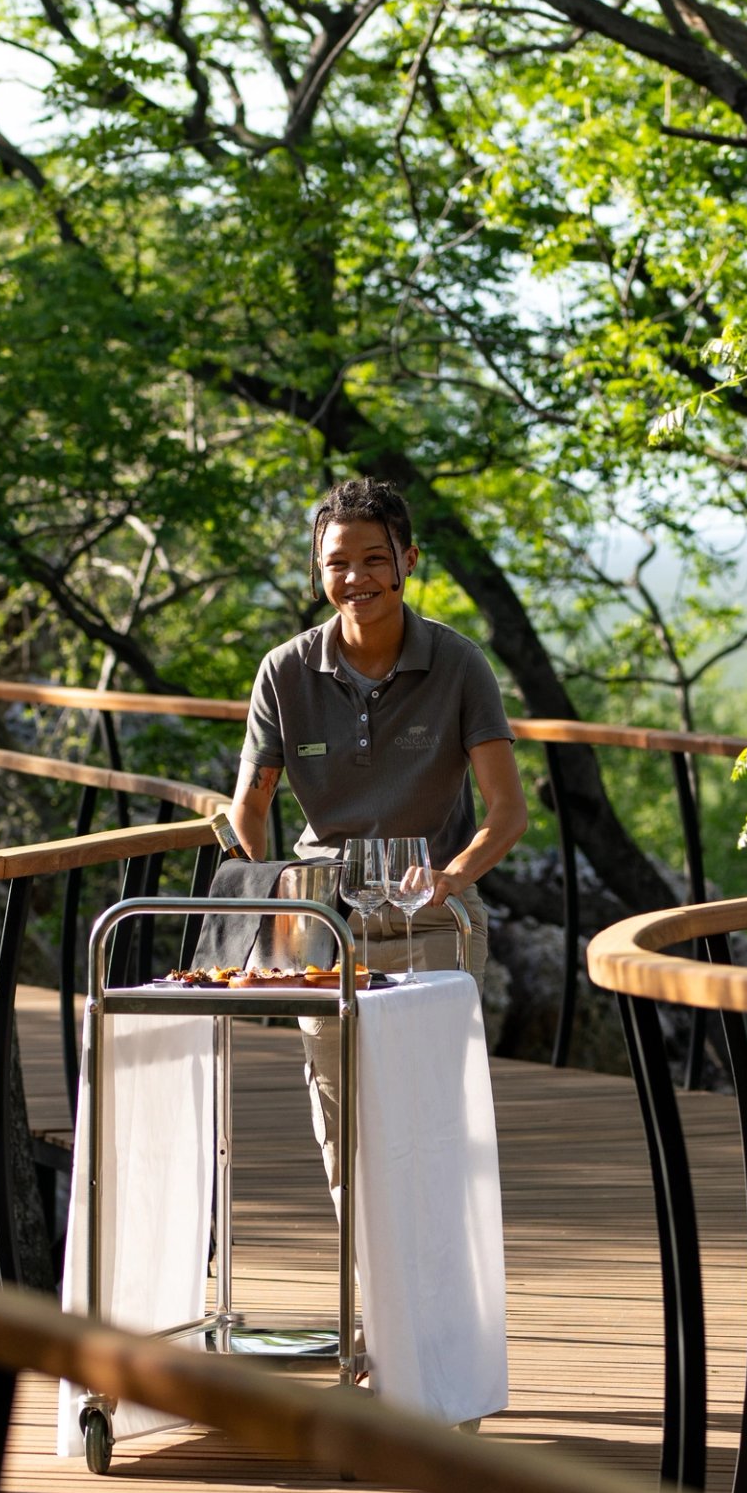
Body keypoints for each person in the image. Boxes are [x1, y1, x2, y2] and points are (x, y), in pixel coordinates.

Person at [227, 477, 527, 1169]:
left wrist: (451, 878)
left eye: (373, 558)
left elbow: (508, 811)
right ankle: (362, 1276)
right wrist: (268, 891)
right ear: (318, 572)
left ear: (409, 560)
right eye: (336, 563)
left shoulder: (458, 664)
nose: (354, 577)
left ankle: (433, 1277)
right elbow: (251, 803)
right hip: (324, 922)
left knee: (431, 1120)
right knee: (343, 1124)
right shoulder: (284, 671)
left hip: (433, 916)